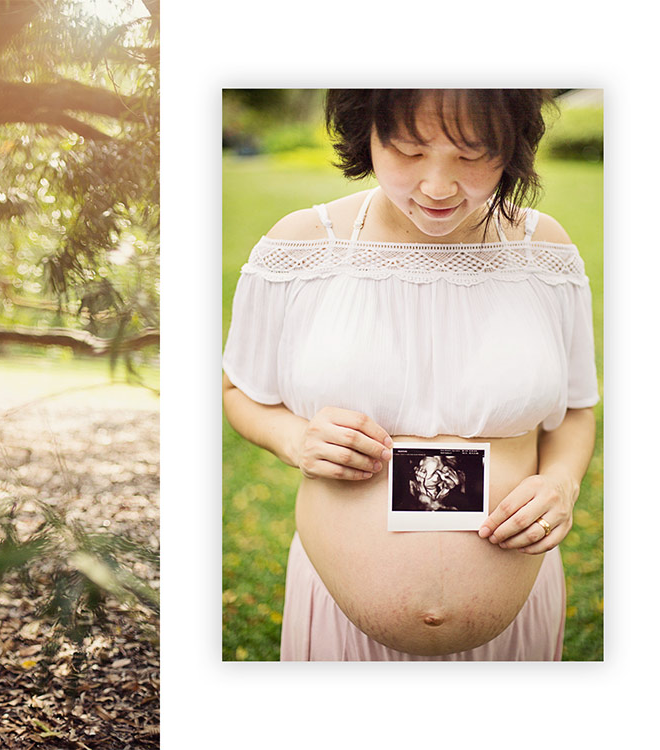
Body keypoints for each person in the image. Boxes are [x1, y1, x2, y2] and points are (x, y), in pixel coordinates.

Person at [222, 89, 598, 660]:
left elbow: (575, 409)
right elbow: (237, 393)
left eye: (473, 154)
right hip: (339, 623)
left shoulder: (543, 251)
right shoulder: (300, 247)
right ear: (365, 134)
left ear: (512, 147)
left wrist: (562, 483)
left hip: (516, 621)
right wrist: (294, 437)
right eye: (408, 151)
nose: (439, 187)